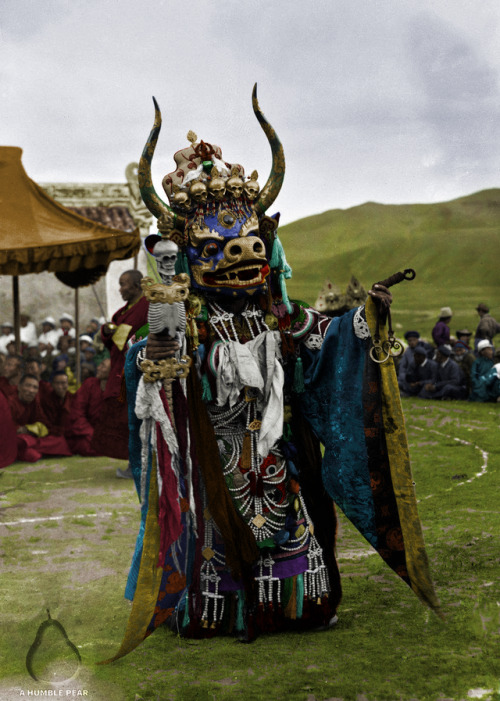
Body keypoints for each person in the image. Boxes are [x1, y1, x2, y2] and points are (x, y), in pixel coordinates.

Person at [103, 94, 440, 663]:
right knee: (215, 547)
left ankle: (291, 603)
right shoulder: (187, 319)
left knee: (293, 546)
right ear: (186, 256)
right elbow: (149, 358)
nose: (240, 258)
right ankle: (212, 605)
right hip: (218, 460)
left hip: (276, 460)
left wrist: (367, 318)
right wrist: (150, 355)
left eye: (252, 245)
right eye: (216, 250)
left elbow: (329, 339)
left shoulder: (279, 317)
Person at [90, 271, 149, 462]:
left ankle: (139, 463)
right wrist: (107, 332)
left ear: (137, 286)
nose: (120, 289)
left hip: (135, 371)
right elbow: (115, 343)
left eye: (124, 284)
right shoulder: (124, 311)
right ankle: (132, 461)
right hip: (118, 369)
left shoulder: (146, 307)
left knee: (133, 419)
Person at [7, 374, 72, 462]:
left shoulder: (34, 402)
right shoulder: (9, 402)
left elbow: (43, 421)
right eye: (28, 386)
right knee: (23, 444)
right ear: (19, 387)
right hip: (13, 438)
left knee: (59, 441)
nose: (31, 390)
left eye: (35, 387)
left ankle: (26, 449)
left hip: (29, 437)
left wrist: (32, 429)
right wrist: (20, 429)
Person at [67, 358, 110, 456]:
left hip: (106, 434)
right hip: (86, 433)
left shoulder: (118, 390)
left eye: (103, 366)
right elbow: (77, 412)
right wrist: (92, 434)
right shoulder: (90, 384)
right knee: (84, 445)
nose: (98, 368)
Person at [39, 371, 74, 437]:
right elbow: (47, 424)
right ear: (52, 385)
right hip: (54, 434)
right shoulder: (47, 400)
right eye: (57, 383)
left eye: (63, 383)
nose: (60, 386)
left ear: (68, 384)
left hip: (71, 433)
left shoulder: (73, 398)